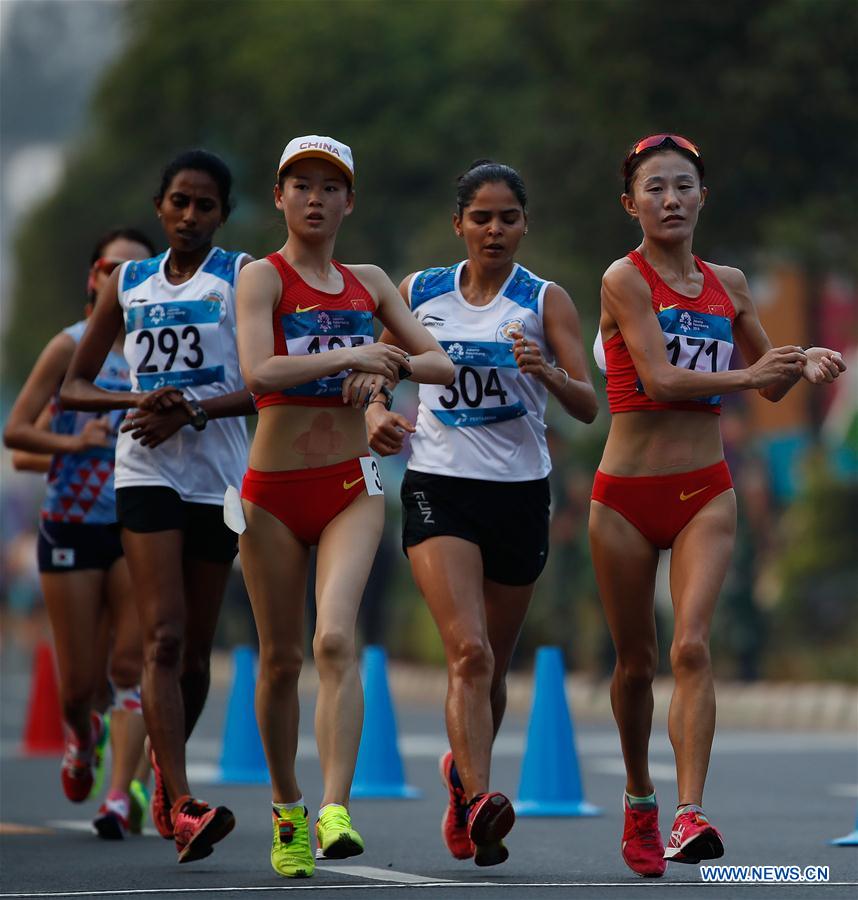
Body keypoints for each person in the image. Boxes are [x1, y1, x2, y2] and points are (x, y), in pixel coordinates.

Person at [589, 134, 846, 877]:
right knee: (635, 665)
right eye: (655, 188)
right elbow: (663, 380)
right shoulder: (623, 279)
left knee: (692, 646)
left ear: (704, 196)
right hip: (625, 497)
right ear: (630, 203)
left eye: (683, 186)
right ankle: (640, 796)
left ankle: (688, 811)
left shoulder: (729, 284)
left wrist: (804, 363)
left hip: (705, 490)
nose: (670, 200)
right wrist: (758, 372)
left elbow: (767, 382)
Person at [364, 160, 598, 867]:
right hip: (440, 484)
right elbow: (379, 365)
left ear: (525, 224)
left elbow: (588, 407)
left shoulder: (544, 300)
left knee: (492, 670)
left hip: (521, 492)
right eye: (482, 217)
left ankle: (464, 781)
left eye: (509, 218)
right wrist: (377, 409)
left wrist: (548, 372)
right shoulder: (420, 293)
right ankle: (480, 804)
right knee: (468, 652)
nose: (495, 230)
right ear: (459, 224)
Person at [235, 135, 453, 879]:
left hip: (350, 485)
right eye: (302, 186)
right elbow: (259, 371)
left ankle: (335, 808)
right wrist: (349, 357)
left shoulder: (368, 281)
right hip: (269, 493)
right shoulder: (260, 279)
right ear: (280, 197)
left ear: (349, 201)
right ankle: (288, 808)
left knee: (334, 641)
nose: (316, 199)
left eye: (331, 187)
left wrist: (387, 359)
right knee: (279, 659)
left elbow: (441, 363)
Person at [61, 150, 255, 863]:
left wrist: (194, 408)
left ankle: (164, 777)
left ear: (223, 215)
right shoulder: (127, 281)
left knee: (196, 656)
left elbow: (266, 383)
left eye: (205, 205)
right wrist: (138, 401)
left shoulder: (243, 277)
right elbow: (76, 386)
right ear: (159, 206)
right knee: (164, 637)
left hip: (219, 478)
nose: (190, 216)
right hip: (145, 469)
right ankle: (180, 798)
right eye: (179, 201)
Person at [4, 229, 154, 839]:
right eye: (110, 269)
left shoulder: (159, 347)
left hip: (137, 520)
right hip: (70, 522)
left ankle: (119, 796)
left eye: (135, 272)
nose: (121, 281)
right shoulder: (68, 347)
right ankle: (79, 733)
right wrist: (74, 441)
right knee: (79, 685)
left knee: (128, 664)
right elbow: (17, 435)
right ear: (93, 278)